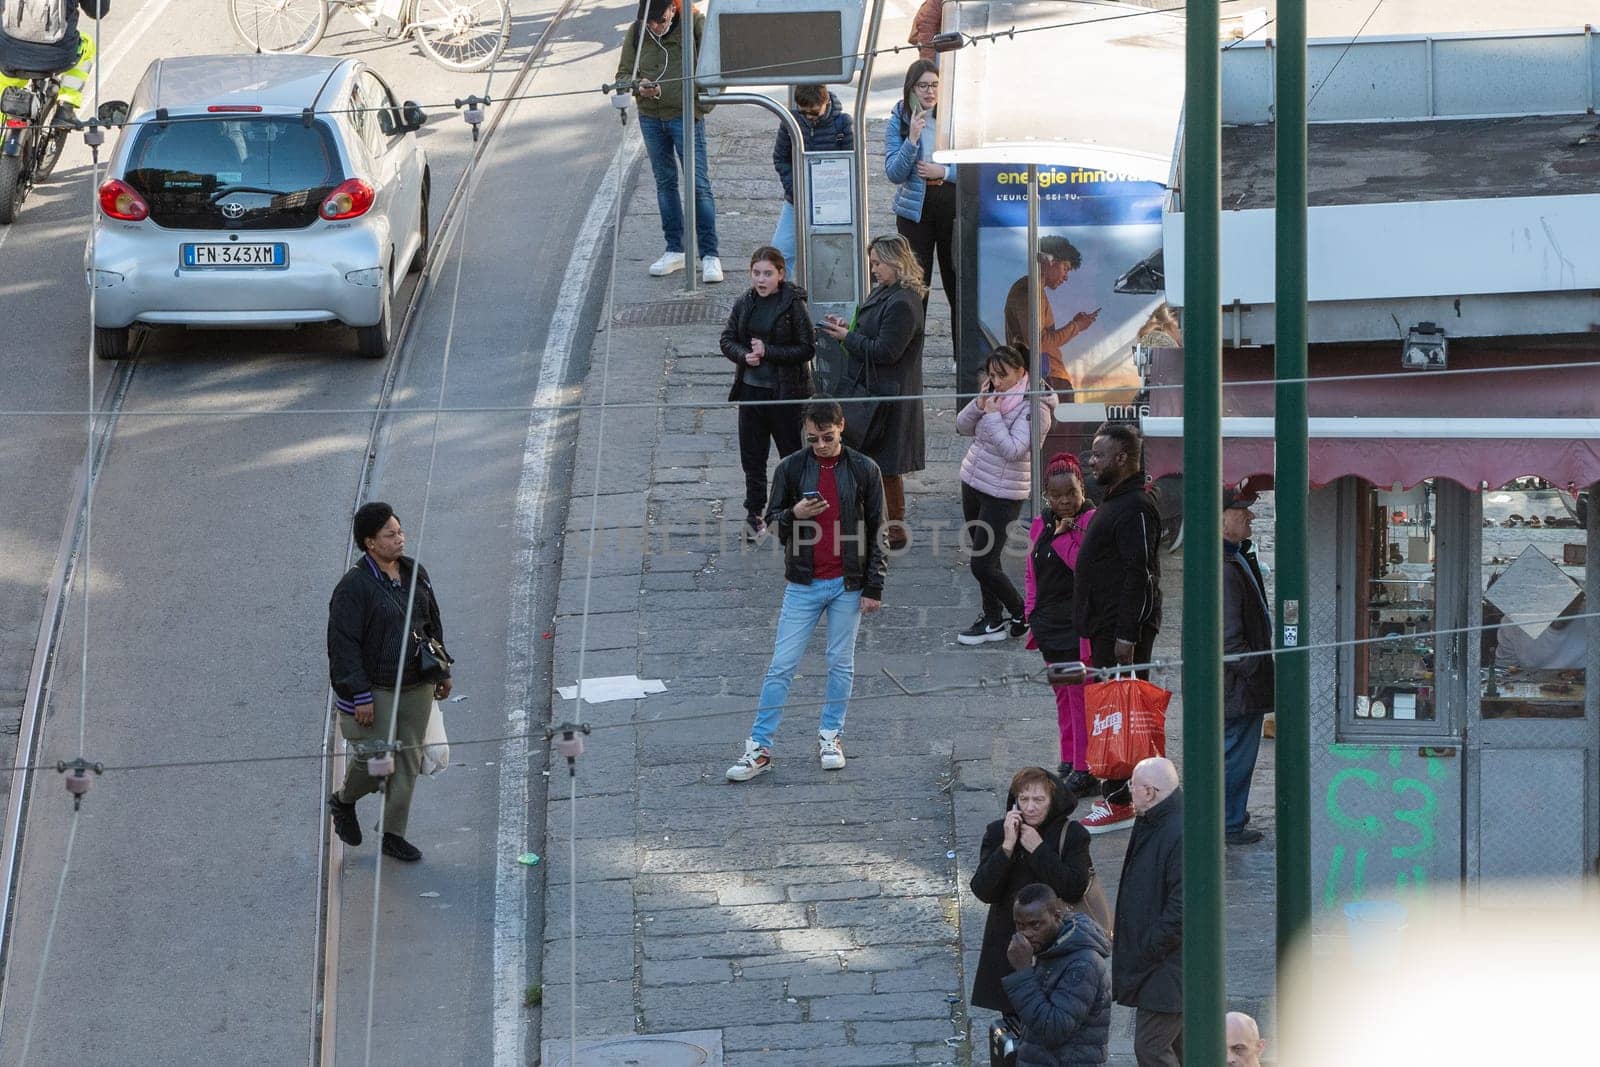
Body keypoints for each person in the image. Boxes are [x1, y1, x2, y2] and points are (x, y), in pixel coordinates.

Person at [725, 400, 886, 781]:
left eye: (827, 438)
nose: (820, 445)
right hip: (804, 581)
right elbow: (772, 522)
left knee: (840, 663)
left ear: (841, 427)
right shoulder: (791, 467)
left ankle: (831, 735)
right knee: (781, 665)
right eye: (812, 439)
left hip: (848, 582)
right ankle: (760, 747)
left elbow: (879, 527)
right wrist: (795, 514)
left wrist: (874, 585)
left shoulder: (864, 469)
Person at [327, 502, 453, 863]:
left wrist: (442, 670)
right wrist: (360, 694)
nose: (400, 539)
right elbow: (343, 646)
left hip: (417, 684)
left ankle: (394, 834)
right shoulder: (353, 588)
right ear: (370, 543)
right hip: (376, 690)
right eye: (390, 535)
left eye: (400, 531)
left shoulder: (415, 573)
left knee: (409, 760)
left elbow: (432, 625)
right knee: (379, 759)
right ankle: (344, 800)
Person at [1074, 422, 1162, 833]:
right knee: (1113, 712)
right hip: (1105, 628)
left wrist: (1128, 633)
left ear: (1122, 458)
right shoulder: (1114, 500)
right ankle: (1122, 793)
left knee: (1120, 717)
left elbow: (1139, 574)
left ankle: (1119, 801)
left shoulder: (1137, 508)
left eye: (1098, 455)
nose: (1091, 462)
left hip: (1122, 633)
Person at [818, 234, 926, 550]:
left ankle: (892, 530)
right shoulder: (888, 292)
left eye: (878, 263)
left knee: (886, 467)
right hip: (876, 390)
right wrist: (847, 331)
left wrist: (846, 337)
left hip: (887, 396)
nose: (874, 269)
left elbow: (886, 351)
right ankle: (885, 528)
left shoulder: (904, 302)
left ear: (895, 262)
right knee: (877, 463)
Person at [954, 342, 1057, 645]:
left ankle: (1020, 612)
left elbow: (1014, 450)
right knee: (985, 558)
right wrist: (981, 402)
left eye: (1002, 375)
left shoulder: (1036, 409)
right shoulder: (992, 397)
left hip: (1004, 492)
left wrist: (993, 415)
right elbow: (961, 426)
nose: (996, 381)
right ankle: (991, 618)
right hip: (973, 480)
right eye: (991, 375)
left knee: (982, 564)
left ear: (1022, 373)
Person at [970, 767, 1092, 1021]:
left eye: (1039, 800)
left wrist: (1038, 850)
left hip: (1058, 949)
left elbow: (1073, 887)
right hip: (1012, 948)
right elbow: (982, 890)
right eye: (1024, 799)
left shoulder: (1072, 835)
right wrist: (1006, 848)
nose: (1031, 807)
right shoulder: (998, 833)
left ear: (1053, 801)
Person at [615, 0, 722, 282]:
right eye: (649, 22)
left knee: (698, 184)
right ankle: (675, 248)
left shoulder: (695, 25)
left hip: (686, 116)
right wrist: (638, 86)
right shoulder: (637, 31)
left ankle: (710, 254)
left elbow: (718, 68)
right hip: (650, 117)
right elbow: (623, 75)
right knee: (664, 184)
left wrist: (701, 106)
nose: (655, 27)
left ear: (673, 10)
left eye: (660, 21)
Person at [720, 246, 816, 542]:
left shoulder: (793, 305)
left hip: (785, 394)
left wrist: (769, 351)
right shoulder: (745, 302)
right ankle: (755, 514)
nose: (761, 280)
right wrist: (743, 355)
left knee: (790, 455)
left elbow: (806, 348)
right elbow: (727, 340)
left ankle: (793, 513)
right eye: (756, 273)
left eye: (767, 274)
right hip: (752, 392)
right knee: (752, 457)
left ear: (780, 274)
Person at [1026, 454, 1096, 794]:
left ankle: (1085, 768)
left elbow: (1081, 565)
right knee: (1063, 698)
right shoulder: (1042, 523)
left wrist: (1064, 536)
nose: (1065, 501)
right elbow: (1031, 570)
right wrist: (1031, 614)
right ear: (1047, 498)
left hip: (1075, 630)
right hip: (1049, 629)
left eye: (1071, 492)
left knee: (1080, 698)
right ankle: (1069, 758)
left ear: (1082, 488)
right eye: (1056, 496)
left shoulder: (1089, 522)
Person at [1113, 757, 1183, 1067]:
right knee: (1183, 1046)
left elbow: (1181, 908)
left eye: (1133, 786)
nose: (1129, 791)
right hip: (1162, 962)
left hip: (1166, 965)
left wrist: (1149, 947)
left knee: (1151, 1048)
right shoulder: (1157, 821)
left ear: (1150, 792)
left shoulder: (1174, 831)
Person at [1002, 883, 1113, 1066]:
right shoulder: (1049, 949)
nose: (1026, 934)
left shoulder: (1083, 965)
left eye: (1035, 925)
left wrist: (1022, 972)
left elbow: (1053, 1030)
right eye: (1019, 925)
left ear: (1057, 917)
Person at [884, 59, 957, 317]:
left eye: (935, 85)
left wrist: (945, 172)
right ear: (911, 89)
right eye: (923, 86)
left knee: (957, 285)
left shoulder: (954, 116)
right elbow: (894, 172)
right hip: (915, 210)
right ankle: (912, 356)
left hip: (951, 203)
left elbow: (976, 167)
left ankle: (962, 357)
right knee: (915, 289)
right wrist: (912, 139)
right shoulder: (899, 119)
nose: (930, 92)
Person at [1222, 486, 1273, 846]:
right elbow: (1228, 640)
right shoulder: (1223, 567)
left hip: (1240, 680)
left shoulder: (1234, 556)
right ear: (1222, 519)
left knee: (1236, 752)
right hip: (1236, 683)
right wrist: (1256, 668)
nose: (1250, 516)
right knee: (1235, 754)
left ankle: (1230, 817)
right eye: (1242, 512)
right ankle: (1227, 821)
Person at [1003, 236, 1099, 398]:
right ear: (1050, 261)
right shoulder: (1029, 291)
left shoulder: (1034, 291)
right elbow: (1039, 343)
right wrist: (1076, 326)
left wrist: (1076, 325)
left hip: (1049, 379)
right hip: (1047, 380)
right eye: (1065, 268)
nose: (1066, 277)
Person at [770, 84, 854, 268]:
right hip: (797, 199)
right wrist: (796, 188)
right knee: (780, 253)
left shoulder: (842, 124)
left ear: (826, 102)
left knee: (832, 255)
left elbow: (852, 164)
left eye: (814, 113)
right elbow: (780, 158)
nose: (808, 117)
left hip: (832, 202)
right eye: (803, 112)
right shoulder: (790, 121)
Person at [0, 0, 107, 128]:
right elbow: (98, 11)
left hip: (10, 54)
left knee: (4, 90)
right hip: (59, 56)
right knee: (87, 45)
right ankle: (66, 106)